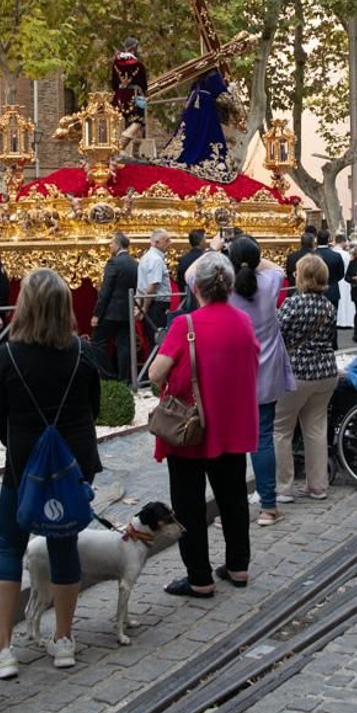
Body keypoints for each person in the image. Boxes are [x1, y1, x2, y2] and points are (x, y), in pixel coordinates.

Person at [0, 268, 101, 680]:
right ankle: (63, 640)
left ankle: (2, 647)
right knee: (64, 543)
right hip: (73, 462)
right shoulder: (82, 353)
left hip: (24, 464)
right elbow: (93, 409)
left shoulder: (7, 356)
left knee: (9, 547)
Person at [150, 252, 259, 597]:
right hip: (232, 422)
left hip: (191, 428)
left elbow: (155, 373)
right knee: (233, 498)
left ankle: (199, 577)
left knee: (189, 504)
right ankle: (238, 566)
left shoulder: (186, 324)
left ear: (195, 287)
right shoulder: (243, 320)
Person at [226, 235, 293, 527]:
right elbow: (276, 267)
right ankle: (268, 506)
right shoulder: (269, 282)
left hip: (231, 376)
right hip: (265, 372)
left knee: (231, 443)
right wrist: (251, 255)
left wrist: (217, 251)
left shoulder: (223, 288)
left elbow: (191, 274)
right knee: (263, 438)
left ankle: (233, 507)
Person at [273, 255, 339, 503]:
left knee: (280, 429)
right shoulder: (328, 306)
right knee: (316, 429)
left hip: (297, 372)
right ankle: (318, 486)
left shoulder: (293, 304)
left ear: (303, 276)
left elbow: (276, 334)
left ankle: (284, 487)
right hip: (326, 372)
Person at [91, 232, 140, 385]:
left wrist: (97, 314)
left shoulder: (114, 263)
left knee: (97, 341)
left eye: (111, 243)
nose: (109, 245)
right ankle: (123, 379)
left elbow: (106, 291)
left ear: (118, 244)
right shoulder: (134, 263)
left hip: (111, 312)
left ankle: (108, 376)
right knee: (124, 344)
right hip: (126, 312)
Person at [137, 229, 173, 343]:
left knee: (153, 339)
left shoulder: (147, 257)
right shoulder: (156, 260)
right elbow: (152, 287)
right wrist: (145, 308)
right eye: (166, 240)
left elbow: (141, 286)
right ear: (156, 243)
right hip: (156, 306)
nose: (170, 243)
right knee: (159, 341)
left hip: (151, 304)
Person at [313, 229, 344, 309]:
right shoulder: (336, 256)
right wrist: (332, 280)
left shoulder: (311, 255)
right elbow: (341, 274)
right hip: (332, 289)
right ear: (328, 240)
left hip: (315, 290)